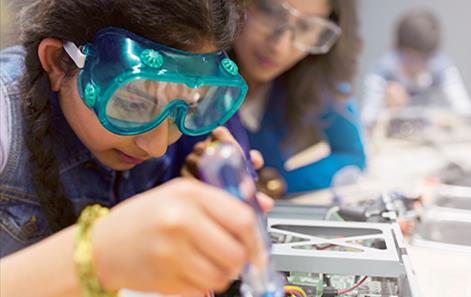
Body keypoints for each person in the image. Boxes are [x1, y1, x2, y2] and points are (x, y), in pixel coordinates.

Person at [0, 1, 271, 296]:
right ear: (56, 62)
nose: (156, 147)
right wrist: (99, 256)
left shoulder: (179, 140)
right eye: (132, 103)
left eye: (189, 105)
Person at [232, 0, 366, 195]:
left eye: (307, 27)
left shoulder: (314, 76)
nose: (280, 46)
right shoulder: (193, 78)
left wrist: (279, 183)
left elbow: (352, 155)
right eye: (269, 11)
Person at [361, 9, 471, 130]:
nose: (418, 66)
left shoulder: (440, 66)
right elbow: (366, 122)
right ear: (396, 49)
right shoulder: (382, 73)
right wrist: (388, 109)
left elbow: (464, 108)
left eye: (424, 59)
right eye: (411, 58)